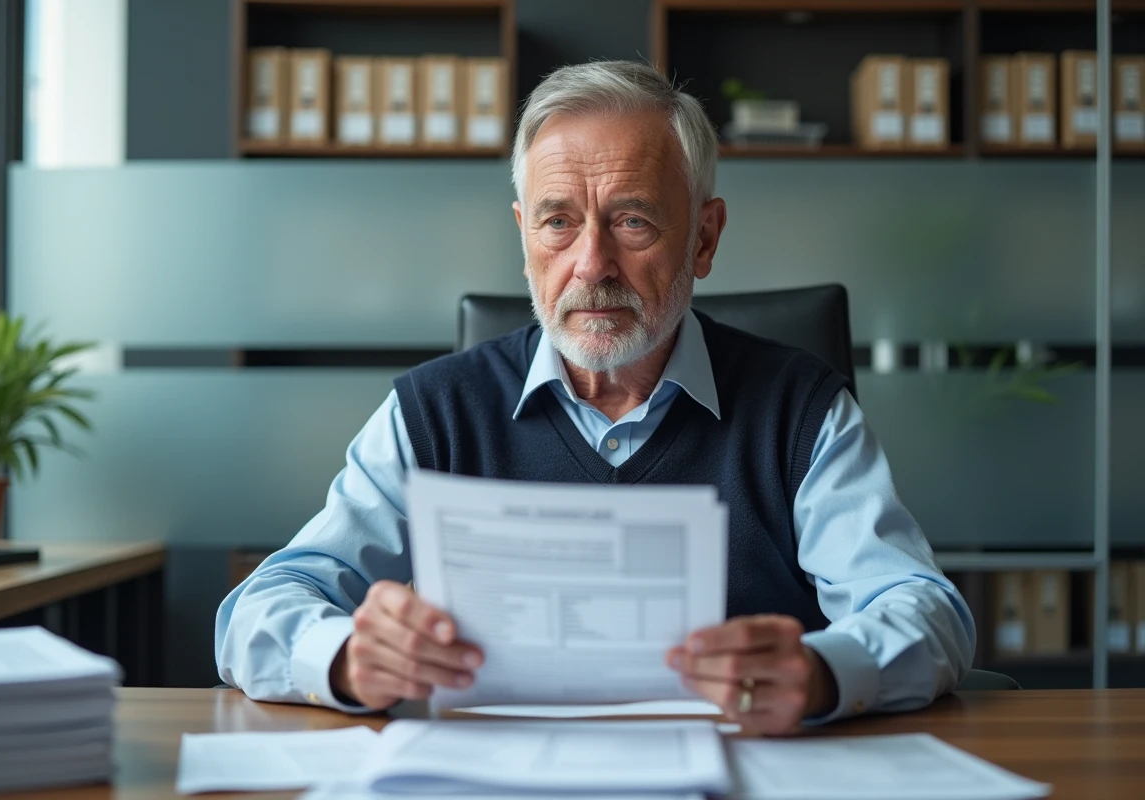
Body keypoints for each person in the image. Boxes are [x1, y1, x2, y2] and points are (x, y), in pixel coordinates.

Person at [216, 60, 975, 735]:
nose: (592, 264)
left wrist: (822, 672)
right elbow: (259, 607)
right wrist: (347, 657)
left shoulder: (801, 411)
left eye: (633, 220)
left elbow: (925, 610)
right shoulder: (433, 413)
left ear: (704, 238)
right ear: (525, 239)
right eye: (558, 221)